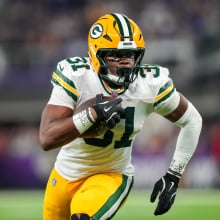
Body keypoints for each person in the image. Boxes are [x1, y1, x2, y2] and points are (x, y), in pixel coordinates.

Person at [39, 13, 202, 220]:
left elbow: (192, 120)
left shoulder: (149, 84)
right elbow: (46, 138)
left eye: (130, 55)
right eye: (116, 55)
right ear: (95, 54)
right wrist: (91, 114)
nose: (125, 63)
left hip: (111, 175)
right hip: (63, 174)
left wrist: (174, 175)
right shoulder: (77, 76)